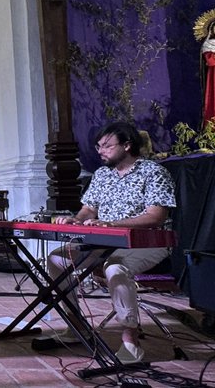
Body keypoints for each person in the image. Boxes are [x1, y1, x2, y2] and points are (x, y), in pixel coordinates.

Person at [48, 121, 175, 364]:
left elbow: (156, 216)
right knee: (57, 258)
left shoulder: (153, 172)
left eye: (106, 145)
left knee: (116, 266)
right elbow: (89, 209)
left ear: (127, 145)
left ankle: (130, 341)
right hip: (104, 240)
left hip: (146, 242)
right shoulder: (102, 174)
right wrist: (76, 220)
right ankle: (76, 325)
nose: (100, 151)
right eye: (98, 146)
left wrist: (112, 225)